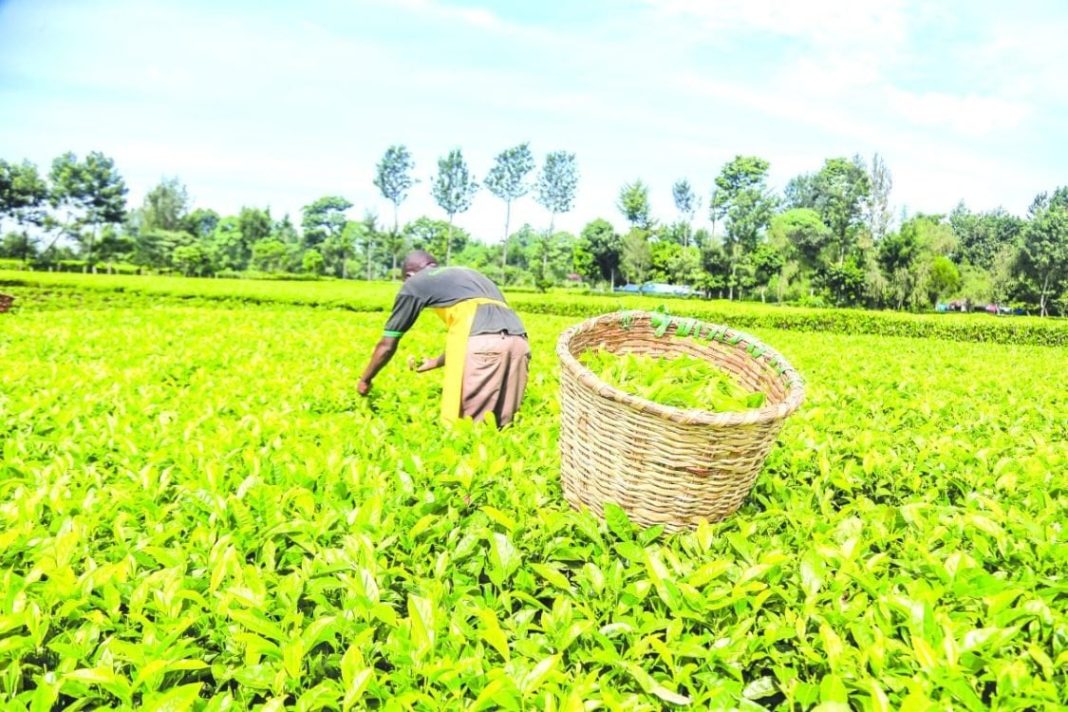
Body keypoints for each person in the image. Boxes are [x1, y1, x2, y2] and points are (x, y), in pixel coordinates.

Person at [357, 250, 531, 428]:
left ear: (409, 275)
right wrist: (434, 362)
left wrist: (365, 379)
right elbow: (485, 332)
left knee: (468, 429)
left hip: (483, 344)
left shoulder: (415, 282)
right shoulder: (468, 275)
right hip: (519, 342)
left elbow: (387, 345)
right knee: (503, 424)